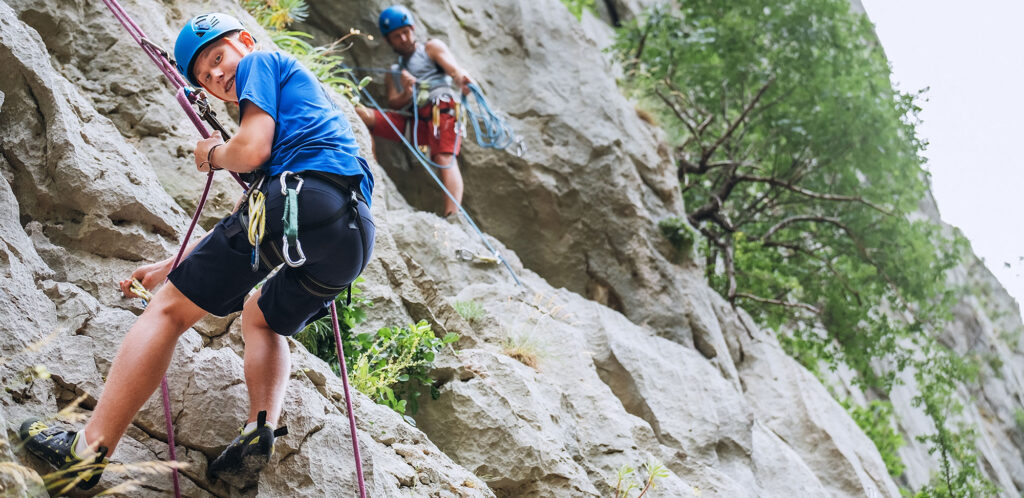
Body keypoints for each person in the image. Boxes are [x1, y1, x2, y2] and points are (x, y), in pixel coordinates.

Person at [19, 12, 375, 489]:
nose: (216, 76)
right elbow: (244, 225)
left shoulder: (262, 63)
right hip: (350, 234)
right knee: (261, 316)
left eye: (217, 58)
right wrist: (172, 265)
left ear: (244, 41)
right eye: (205, 77)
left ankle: (88, 451)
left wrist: (211, 153)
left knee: (166, 311)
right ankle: (259, 429)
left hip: (301, 201)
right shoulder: (297, 116)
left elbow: (249, 153)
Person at [354, 5, 473, 218]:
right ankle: (373, 173)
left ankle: (453, 216)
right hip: (417, 121)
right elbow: (395, 103)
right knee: (362, 115)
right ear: (388, 41)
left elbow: (454, 70)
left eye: (406, 32)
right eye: (397, 36)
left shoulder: (431, 48)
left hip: (441, 110)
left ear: (413, 29)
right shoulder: (394, 72)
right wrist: (407, 91)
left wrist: (462, 79)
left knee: (444, 157)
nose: (404, 38)